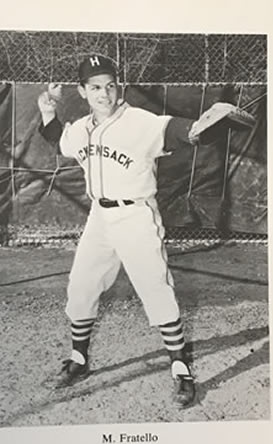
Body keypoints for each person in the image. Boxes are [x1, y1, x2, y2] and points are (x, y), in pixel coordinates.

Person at [38, 54, 202, 406]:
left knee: (155, 287)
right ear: (82, 91)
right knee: (81, 286)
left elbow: (175, 129)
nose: (105, 93)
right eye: (96, 87)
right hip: (100, 217)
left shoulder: (139, 121)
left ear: (118, 87)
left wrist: (199, 128)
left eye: (110, 85)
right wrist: (48, 112)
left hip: (136, 216)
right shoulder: (81, 127)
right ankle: (79, 359)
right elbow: (59, 140)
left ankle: (179, 366)